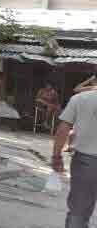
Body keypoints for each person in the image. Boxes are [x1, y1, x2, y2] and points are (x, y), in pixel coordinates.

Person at [52, 88, 97, 228]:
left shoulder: (80, 98)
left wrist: (56, 156)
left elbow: (63, 129)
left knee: (78, 210)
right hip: (86, 161)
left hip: (85, 161)